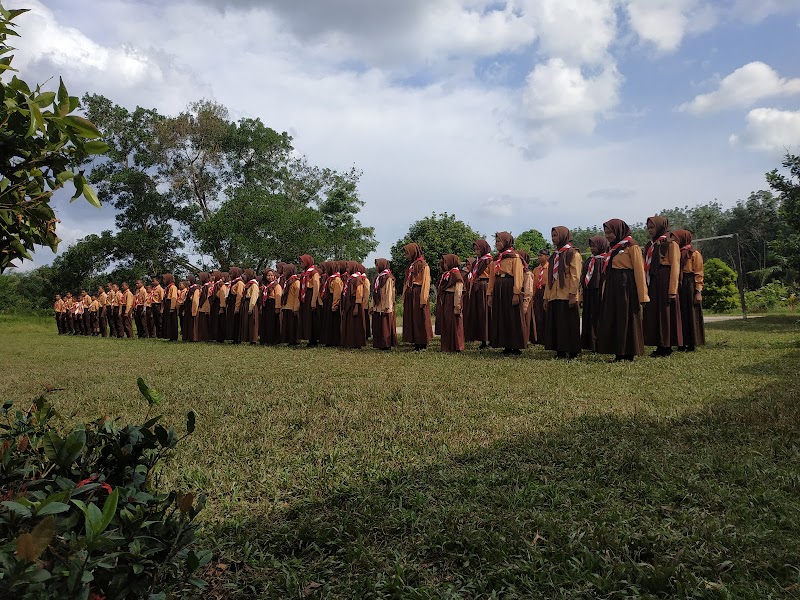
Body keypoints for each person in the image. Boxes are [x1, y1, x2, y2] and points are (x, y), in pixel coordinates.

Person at [596, 219, 648, 361]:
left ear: (618, 231)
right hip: (613, 286)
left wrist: (643, 295)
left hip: (626, 286)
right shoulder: (611, 249)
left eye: (610, 232)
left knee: (626, 317)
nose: (607, 236)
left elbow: (639, 271)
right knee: (614, 317)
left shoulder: (632, 246)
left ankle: (629, 352)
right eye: (605, 233)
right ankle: (618, 352)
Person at [643, 216, 683, 356]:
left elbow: (675, 267)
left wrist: (672, 290)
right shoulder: (649, 245)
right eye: (648, 227)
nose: (650, 230)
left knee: (666, 314)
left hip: (665, 281)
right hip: (652, 281)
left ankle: (667, 346)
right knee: (654, 313)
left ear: (660, 226)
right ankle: (658, 344)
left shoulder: (671, 244)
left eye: (652, 227)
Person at [543, 227, 581, 359]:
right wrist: (546, 297)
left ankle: (572, 351)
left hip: (567, 295)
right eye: (552, 236)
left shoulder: (572, 253)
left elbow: (575, 276)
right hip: (554, 294)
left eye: (555, 236)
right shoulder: (554, 256)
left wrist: (572, 294)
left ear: (564, 236)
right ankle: (560, 350)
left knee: (569, 324)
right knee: (558, 324)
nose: (553, 238)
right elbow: (549, 278)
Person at [487, 232, 525, 355]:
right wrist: (490, 294)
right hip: (498, 287)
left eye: (499, 241)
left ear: (506, 242)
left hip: (509, 286)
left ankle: (516, 346)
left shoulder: (515, 257)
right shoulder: (496, 258)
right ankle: (506, 345)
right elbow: (492, 278)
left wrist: (516, 293)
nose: (497, 243)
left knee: (512, 316)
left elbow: (518, 276)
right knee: (501, 316)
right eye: (496, 241)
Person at [672, 229, 705, 352]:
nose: (674, 241)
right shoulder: (675, 253)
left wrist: (698, 291)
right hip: (679, 284)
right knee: (680, 314)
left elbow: (699, 273)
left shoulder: (694, 254)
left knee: (691, 314)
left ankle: (692, 343)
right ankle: (681, 342)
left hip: (689, 284)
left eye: (676, 238)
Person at [580, 236, 609, 352]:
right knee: (588, 317)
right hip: (588, 292)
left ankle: (599, 343)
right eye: (591, 246)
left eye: (594, 246)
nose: (592, 248)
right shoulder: (589, 260)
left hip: (598, 292)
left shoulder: (604, 260)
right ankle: (588, 343)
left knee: (598, 317)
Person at [401, 243, 433, 351]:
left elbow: (426, 282)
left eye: (408, 253)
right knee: (413, 318)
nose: (407, 256)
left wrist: (423, 298)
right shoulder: (411, 265)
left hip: (418, 293)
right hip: (411, 293)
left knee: (420, 318)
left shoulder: (424, 265)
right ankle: (415, 340)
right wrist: (404, 295)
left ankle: (422, 341)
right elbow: (407, 281)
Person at [465, 239, 492, 349]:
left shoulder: (489, 260)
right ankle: (482, 339)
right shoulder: (477, 262)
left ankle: (491, 339)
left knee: (487, 313)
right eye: (475, 250)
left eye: (478, 249)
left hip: (485, 285)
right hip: (476, 286)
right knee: (479, 313)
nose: (476, 252)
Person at [435, 254, 465, 352]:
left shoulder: (456, 275)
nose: (444, 265)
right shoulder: (447, 274)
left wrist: (457, 305)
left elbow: (458, 290)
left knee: (455, 323)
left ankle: (457, 346)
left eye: (445, 262)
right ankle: (447, 345)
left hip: (453, 299)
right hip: (447, 299)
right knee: (447, 322)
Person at [371, 258, 397, 350]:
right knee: (379, 326)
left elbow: (389, 293)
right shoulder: (378, 277)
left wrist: (388, 306)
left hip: (385, 307)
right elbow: (374, 292)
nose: (376, 267)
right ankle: (380, 344)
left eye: (377, 265)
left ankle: (386, 344)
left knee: (385, 326)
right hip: (378, 306)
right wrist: (372, 305)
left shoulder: (388, 278)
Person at [341, 262, 367, 349]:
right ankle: (350, 341)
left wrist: (356, 306)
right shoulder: (351, 278)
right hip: (349, 303)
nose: (347, 269)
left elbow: (359, 293)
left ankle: (357, 343)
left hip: (355, 303)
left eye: (348, 267)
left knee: (356, 324)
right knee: (350, 324)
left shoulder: (357, 279)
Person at [298, 254, 320, 347]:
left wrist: (313, 301)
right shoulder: (305, 273)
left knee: (312, 319)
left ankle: (314, 340)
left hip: (311, 295)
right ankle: (309, 338)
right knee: (307, 318)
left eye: (302, 262)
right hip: (305, 296)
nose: (301, 264)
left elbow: (316, 287)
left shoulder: (314, 272)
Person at [517, 250, 536, 347]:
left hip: (525, 300)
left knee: (525, 321)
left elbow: (528, 291)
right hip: (519, 299)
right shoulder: (517, 272)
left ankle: (525, 341)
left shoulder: (527, 274)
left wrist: (525, 304)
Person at [260, 268, 282, 345]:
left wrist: (277, 307)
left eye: (272, 275)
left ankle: (272, 340)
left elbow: (278, 297)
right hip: (266, 305)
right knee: (265, 322)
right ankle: (265, 339)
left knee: (272, 323)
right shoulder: (265, 285)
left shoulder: (276, 285)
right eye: (268, 275)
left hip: (273, 304)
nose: (270, 277)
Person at [323, 262, 343, 347]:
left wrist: (334, 305)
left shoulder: (336, 280)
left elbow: (337, 293)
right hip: (328, 301)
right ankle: (329, 340)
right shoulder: (330, 278)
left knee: (333, 322)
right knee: (328, 321)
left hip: (333, 300)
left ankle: (334, 341)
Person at [532, 250, 549, 345]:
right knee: (538, 315)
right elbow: (534, 284)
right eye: (538, 255)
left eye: (541, 255)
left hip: (546, 291)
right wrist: (533, 296)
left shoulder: (550, 268)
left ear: (547, 256)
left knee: (546, 315)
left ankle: (547, 338)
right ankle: (538, 337)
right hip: (538, 292)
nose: (539, 257)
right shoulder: (536, 269)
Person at [280, 264, 300, 345]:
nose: (283, 273)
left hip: (292, 306)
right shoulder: (287, 281)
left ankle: (294, 341)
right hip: (286, 306)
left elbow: (297, 296)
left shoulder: (296, 281)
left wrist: (296, 307)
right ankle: (288, 340)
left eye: (285, 271)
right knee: (288, 325)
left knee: (293, 325)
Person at [240, 268, 261, 344]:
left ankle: (253, 339)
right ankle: (247, 338)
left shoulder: (254, 285)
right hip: (246, 303)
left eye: (245, 274)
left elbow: (254, 296)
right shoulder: (248, 284)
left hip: (251, 304)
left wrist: (250, 307)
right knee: (246, 322)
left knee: (252, 322)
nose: (244, 276)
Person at [226, 267, 245, 343]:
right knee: (232, 321)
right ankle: (233, 337)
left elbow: (239, 295)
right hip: (231, 303)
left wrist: (237, 307)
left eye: (231, 273)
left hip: (235, 303)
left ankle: (237, 339)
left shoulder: (239, 283)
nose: (230, 274)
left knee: (236, 321)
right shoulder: (233, 282)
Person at [163, 273, 180, 341]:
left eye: (164, 279)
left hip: (171, 303)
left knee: (173, 321)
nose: (163, 280)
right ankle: (169, 335)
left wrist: (172, 307)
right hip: (167, 303)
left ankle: (174, 336)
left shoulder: (173, 287)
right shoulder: (168, 287)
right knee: (168, 320)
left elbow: (173, 297)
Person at [195, 272, 211, 342]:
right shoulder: (204, 286)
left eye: (200, 277)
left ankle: (205, 338)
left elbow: (206, 297)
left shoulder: (208, 286)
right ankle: (202, 337)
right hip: (202, 307)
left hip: (205, 306)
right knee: (202, 323)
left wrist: (201, 304)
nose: (199, 279)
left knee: (204, 323)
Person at [182, 275, 197, 342]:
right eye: (186, 280)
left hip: (191, 306)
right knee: (187, 321)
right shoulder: (189, 288)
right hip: (187, 306)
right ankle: (186, 336)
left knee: (191, 322)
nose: (186, 282)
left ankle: (191, 337)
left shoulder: (194, 288)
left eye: (188, 280)